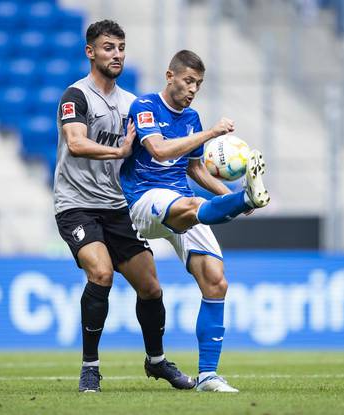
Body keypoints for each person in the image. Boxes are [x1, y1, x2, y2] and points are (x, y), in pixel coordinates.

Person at [53, 20, 194, 392]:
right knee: (101, 273)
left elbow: (156, 149)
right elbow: (76, 143)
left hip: (118, 207)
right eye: (108, 47)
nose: (116, 54)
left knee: (151, 287)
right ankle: (90, 368)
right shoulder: (76, 96)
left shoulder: (133, 103)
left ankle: (157, 362)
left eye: (120, 48)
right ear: (90, 52)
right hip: (76, 205)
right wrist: (118, 150)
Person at [120, 50, 270, 393]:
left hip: (182, 203)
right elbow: (158, 151)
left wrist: (225, 191)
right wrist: (212, 133)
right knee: (191, 205)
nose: (192, 89)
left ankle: (207, 376)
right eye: (188, 81)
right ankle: (244, 198)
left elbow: (195, 168)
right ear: (170, 75)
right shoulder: (144, 106)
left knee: (216, 282)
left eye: (198, 84)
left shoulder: (192, 118)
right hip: (145, 200)